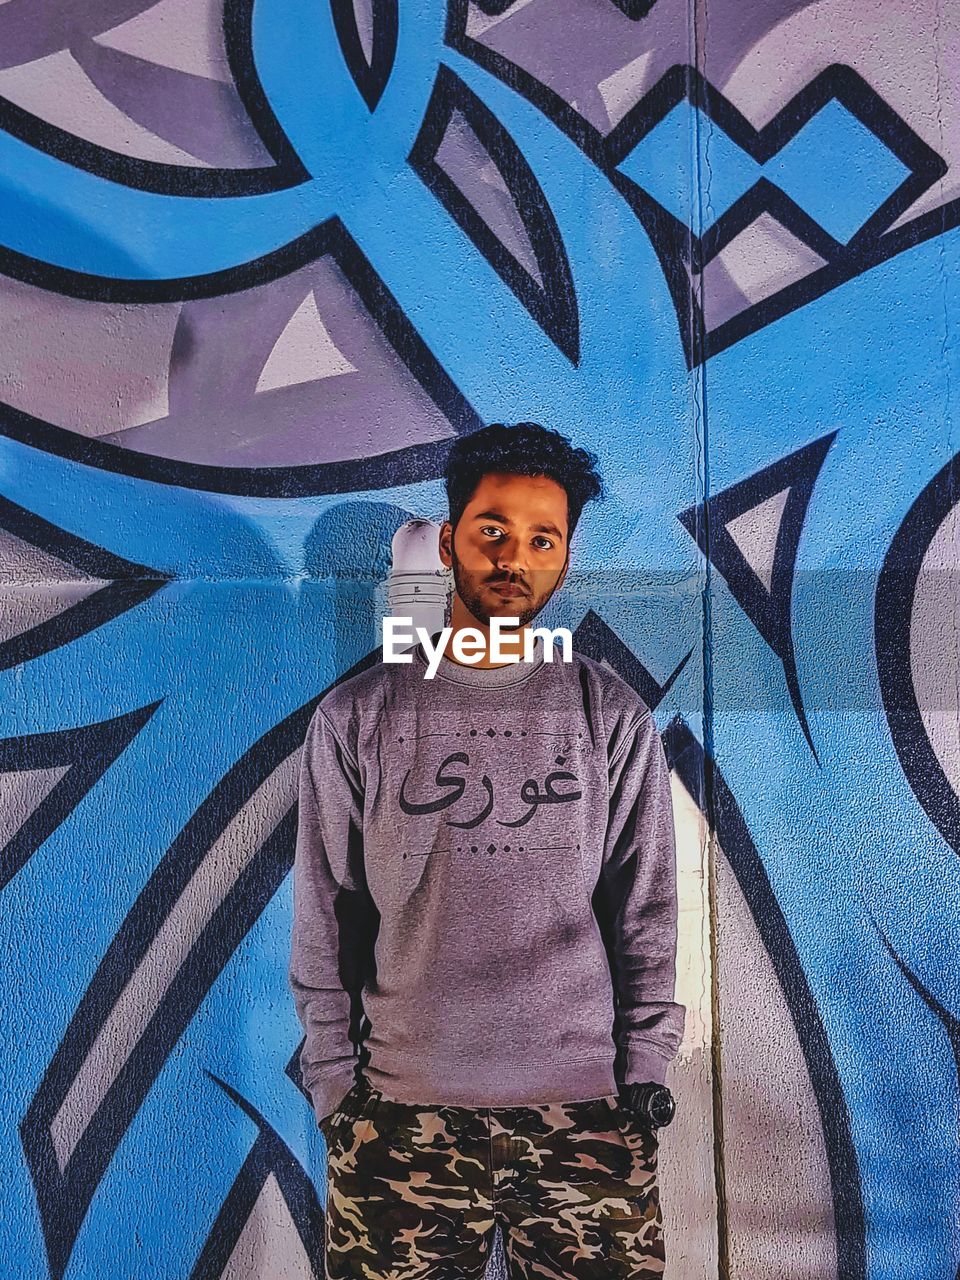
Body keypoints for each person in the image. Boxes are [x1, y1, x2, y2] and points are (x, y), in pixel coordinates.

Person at [289, 422, 685, 1278]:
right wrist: (334, 1094)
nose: (516, 556)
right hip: (399, 1120)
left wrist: (642, 1072)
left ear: (567, 556)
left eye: (543, 538)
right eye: (493, 530)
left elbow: (644, 910)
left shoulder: (608, 716)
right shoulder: (360, 716)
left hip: (585, 1117)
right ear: (450, 538)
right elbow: (327, 913)